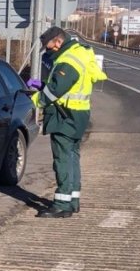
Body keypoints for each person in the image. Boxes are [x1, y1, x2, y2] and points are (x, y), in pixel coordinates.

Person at [32, 26, 107, 219]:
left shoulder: (68, 60)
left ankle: (61, 205)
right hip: (78, 114)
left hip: (64, 115)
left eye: (49, 47)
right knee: (72, 158)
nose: (48, 51)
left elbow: (56, 90)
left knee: (63, 159)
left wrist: (35, 99)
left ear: (58, 41)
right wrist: (42, 85)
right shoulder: (80, 53)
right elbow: (63, 86)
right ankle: (72, 201)